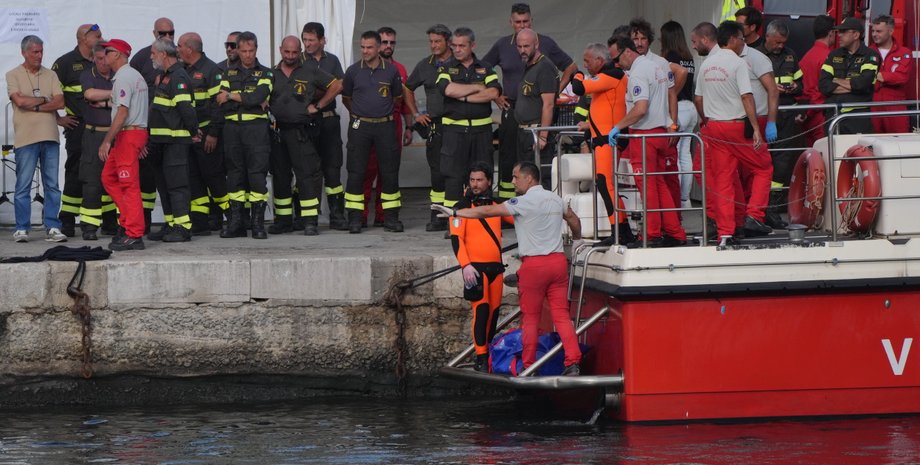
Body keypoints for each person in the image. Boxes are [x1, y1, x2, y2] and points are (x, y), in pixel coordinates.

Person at [432, 161, 583, 376]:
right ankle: (573, 362)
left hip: (534, 266)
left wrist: (456, 213)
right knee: (561, 316)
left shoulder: (521, 202)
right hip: (558, 263)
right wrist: (577, 239)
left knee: (530, 318)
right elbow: (574, 220)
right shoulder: (556, 199)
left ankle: (528, 366)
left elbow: (486, 211)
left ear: (529, 178)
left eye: (515, 177)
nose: (512, 181)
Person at [484, 2, 576, 201]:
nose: (522, 25)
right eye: (518, 22)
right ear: (511, 23)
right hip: (512, 107)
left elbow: (571, 67)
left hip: (538, 108)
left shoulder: (545, 44)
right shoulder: (502, 45)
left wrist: (555, 91)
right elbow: (482, 68)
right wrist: (495, 93)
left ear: (532, 22)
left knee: (535, 160)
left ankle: (537, 201)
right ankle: (508, 203)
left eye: (526, 21)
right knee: (509, 156)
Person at [608, 36, 687, 248]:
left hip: (644, 136)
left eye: (617, 59)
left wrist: (618, 126)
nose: (616, 64)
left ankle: (652, 234)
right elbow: (671, 93)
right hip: (659, 133)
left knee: (648, 187)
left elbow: (640, 108)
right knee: (660, 185)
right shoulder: (656, 66)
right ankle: (674, 231)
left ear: (626, 52)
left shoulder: (638, 73)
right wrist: (672, 123)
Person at [694, 21, 769, 243]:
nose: (743, 45)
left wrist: (707, 120)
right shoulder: (738, 64)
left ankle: (726, 231)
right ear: (734, 39)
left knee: (723, 181)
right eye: (742, 40)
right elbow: (747, 96)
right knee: (764, 167)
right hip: (736, 126)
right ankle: (754, 215)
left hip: (714, 127)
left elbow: (698, 99)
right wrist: (756, 127)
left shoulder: (706, 65)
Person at [268, 36, 342, 236]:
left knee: (307, 176)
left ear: (299, 50)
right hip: (278, 132)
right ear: (280, 49)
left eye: (294, 52)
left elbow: (337, 85)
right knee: (281, 176)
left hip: (301, 131)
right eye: (286, 52)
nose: (290, 56)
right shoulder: (270, 73)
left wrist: (318, 105)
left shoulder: (310, 70)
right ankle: (283, 220)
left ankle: (310, 221)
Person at [448, 162, 512, 372]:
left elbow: (517, 216)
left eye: (479, 180)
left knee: (493, 314)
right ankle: (481, 357)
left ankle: (489, 351)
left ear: (489, 182)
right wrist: (465, 265)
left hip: (496, 268)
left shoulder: (496, 205)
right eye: (472, 180)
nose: (475, 184)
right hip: (475, 269)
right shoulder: (461, 207)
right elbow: (457, 241)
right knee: (481, 312)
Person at [570, 42, 635, 245]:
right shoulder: (609, 78)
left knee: (606, 186)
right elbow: (608, 107)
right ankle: (620, 230)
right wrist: (590, 124)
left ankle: (620, 232)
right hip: (602, 139)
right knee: (605, 185)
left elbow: (578, 88)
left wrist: (577, 73)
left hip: (609, 140)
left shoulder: (611, 76)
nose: (586, 65)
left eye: (587, 61)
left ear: (600, 60)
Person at [341, 30, 405, 234]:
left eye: (369, 47)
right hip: (360, 126)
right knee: (356, 172)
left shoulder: (392, 71)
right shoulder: (352, 71)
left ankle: (390, 218)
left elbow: (396, 98)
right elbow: (346, 98)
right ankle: (355, 219)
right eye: (362, 47)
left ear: (378, 48)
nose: (365, 51)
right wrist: (361, 114)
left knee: (389, 172)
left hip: (385, 126)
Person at [6, 35, 67, 243]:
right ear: (24, 52)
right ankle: (22, 228)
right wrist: (44, 99)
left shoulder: (50, 75)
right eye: (35, 52)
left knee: (52, 185)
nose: (39, 55)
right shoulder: (12, 74)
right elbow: (20, 101)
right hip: (25, 138)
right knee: (23, 185)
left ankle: (52, 226)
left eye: (41, 51)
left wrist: (38, 105)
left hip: (50, 136)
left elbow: (60, 102)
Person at [436, 27, 501, 218]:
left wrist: (463, 95)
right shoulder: (445, 68)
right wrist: (475, 88)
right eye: (454, 45)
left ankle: (483, 218)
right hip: (454, 133)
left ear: (472, 45)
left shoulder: (486, 67)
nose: (457, 50)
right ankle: (454, 220)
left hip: (481, 132)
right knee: (454, 178)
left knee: (482, 176)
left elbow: (493, 93)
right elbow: (448, 90)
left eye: (461, 46)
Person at [216, 31, 273, 239]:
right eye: (244, 51)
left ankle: (258, 224)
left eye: (251, 51)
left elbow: (257, 96)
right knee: (235, 176)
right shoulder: (227, 73)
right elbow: (219, 100)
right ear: (237, 50)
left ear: (256, 50)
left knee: (257, 175)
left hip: (256, 131)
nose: (248, 55)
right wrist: (246, 99)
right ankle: (237, 222)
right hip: (232, 130)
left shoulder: (266, 74)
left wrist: (231, 95)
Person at [360, 26, 418, 228]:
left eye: (392, 42)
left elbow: (407, 100)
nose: (388, 46)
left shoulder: (400, 69)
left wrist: (409, 127)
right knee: (366, 171)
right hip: (369, 125)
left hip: (393, 125)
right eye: (384, 42)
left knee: (389, 172)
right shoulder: (362, 67)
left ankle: (384, 215)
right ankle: (361, 215)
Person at [97, 38, 149, 251]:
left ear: (117, 54)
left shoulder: (124, 77)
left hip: (128, 135)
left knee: (128, 184)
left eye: (108, 51)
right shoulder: (132, 76)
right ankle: (128, 224)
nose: (104, 55)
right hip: (131, 135)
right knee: (108, 177)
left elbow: (123, 111)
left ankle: (134, 233)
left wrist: (107, 140)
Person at [52, 23, 102, 237]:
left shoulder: (102, 60)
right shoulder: (64, 63)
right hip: (78, 127)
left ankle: (108, 221)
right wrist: (58, 119)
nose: (101, 38)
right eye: (97, 36)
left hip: (102, 127)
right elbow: (50, 95)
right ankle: (68, 221)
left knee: (103, 172)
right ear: (84, 38)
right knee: (75, 171)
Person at [145, 38, 197, 243]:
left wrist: (194, 130)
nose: (151, 57)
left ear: (163, 54)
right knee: (165, 186)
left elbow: (186, 109)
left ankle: (183, 227)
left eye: (153, 53)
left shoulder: (179, 76)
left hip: (175, 142)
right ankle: (171, 224)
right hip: (161, 143)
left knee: (177, 186)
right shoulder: (166, 76)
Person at [177, 32, 229, 235]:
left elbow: (219, 106)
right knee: (193, 178)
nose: (177, 48)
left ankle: (233, 217)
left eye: (180, 45)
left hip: (207, 133)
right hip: (188, 135)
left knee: (213, 177)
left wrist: (213, 133)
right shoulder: (181, 70)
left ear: (190, 49)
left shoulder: (212, 70)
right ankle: (200, 221)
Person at [302, 22, 348, 231]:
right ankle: (307, 219)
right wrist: (322, 91)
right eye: (305, 39)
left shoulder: (333, 60)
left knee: (333, 169)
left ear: (323, 40)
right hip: (306, 123)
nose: (307, 44)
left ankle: (337, 216)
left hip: (328, 120)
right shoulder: (298, 61)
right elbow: (300, 93)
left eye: (311, 40)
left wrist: (319, 99)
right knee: (308, 170)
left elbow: (340, 86)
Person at [130, 17, 175, 233]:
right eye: (162, 33)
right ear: (153, 33)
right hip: (147, 126)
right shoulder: (141, 58)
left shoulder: (179, 55)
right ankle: (144, 221)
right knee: (146, 178)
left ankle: (174, 223)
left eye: (170, 33)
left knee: (172, 178)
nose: (167, 37)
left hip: (172, 129)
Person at [629, 18, 679, 207]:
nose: (639, 43)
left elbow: (672, 94)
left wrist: (673, 124)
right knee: (641, 179)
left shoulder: (661, 63)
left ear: (649, 40)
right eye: (635, 38)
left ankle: (674, 217)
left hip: (659, 129)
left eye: (643, 38)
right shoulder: (628, 64)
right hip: (635, 130)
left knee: (668, 176)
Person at [407, 24, 452, 233]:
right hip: (436, 126)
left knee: (457, 171)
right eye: (431, 41)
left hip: (458, 125)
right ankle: (437, 215)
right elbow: (407, 88)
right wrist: (417, 114)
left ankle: (456, 214)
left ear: (448, 41)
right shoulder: (425, 65)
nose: (433, 45)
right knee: (437, 171)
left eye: (437, 41)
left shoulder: (459, 62)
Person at [757, 20, 803, 211]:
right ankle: (760, 203)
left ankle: (774, 207)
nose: (780, 46)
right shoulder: (756, 55)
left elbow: (802, 85)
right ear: (767, 36)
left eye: (783, 42)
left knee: (783, 162)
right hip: (764, 112)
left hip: (786, 114)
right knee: (761, 160)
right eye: (777, 42)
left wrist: (795, 87)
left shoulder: (790, 55)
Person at [79, 44, 118, 240]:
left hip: (117, 135)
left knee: (116, 180)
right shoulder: (87, 75)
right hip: (94, 135)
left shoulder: (119, 74)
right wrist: (114, 95)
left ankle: (112, 224)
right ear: (94, 58)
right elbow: (89, 94)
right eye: (100, 59)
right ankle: (89, 226)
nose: (104, 62)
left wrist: (102, 101)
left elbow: (126, 101)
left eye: (106, 58)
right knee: (92, 181)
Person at [659, 20, 698, 210]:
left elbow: (670, 86)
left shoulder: (670, 57)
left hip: (679, 109)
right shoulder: (688, 56)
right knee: (685, 155)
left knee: (676, 155)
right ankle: (686, 199)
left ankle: (678, 200)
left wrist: (670, 99)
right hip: (691, 108)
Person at [818, 17, 880, 135]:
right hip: (833, 115)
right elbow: (823, 85)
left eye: (844, 31)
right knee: (831, 152)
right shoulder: (833, 55)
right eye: (839, 32)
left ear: (856, 35)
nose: (839, 35)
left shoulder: (870, 56)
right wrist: (852, 86)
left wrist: (836, 80)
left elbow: (863, 84)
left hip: (857, 118)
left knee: (857, 152)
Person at [513, 28, 558, 188]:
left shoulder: (544, 67)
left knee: (539, 179)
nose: (523, 51)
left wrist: (543, 136)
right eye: (519, 46)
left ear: (536, 44)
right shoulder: (529, 66)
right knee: (525, 179)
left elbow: (549, 104)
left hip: (537, 133)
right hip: (524, 133)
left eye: (526, 46)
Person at [870, 14, 914, 133]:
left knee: (899, 142)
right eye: (873, 31)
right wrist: (888, 77)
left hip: (896, 104)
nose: (874, 34)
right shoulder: (867, 52)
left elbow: (902, 77)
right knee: (871, 144)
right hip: (873, 103)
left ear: (890, 31)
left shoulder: (904, 52)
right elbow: (862, 78)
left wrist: (879, 75)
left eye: (879, 31)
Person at [798, 15, 836, 146]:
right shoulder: (828, 57)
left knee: (810, 154)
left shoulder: (807, 55)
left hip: (807, 110)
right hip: (819, 112)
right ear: (831, 33)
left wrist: (805, 112)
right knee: (823, 153)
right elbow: (823, 88)